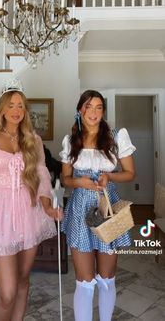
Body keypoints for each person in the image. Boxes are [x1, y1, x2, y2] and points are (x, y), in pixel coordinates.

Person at [0, 79, 61, 321]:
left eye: (20, 106)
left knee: (22, 279)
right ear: (2, 109)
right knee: (6, 292)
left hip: (28, 213)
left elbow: (41, 177)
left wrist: (48, 207)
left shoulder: (33, 140)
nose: (16, 111)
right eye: (11, 105)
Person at [59, 89, 136, 321]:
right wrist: (79, 181)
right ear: (79, 110)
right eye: (88, 107)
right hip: (80, 209)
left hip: (107, 207)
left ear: (103, 111)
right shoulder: (71, 140)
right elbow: (65, 179)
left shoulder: (116, 136)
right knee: (84, 282)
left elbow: (130, 173)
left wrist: (109, 177)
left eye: (98, 107)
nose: (93, 112)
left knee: (107, 277)